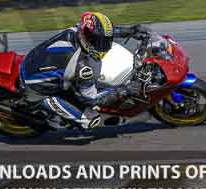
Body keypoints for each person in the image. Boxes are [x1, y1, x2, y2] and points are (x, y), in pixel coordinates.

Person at [20, 11, 149, 130]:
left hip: (35, 62)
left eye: (104, 41)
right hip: (38, 88)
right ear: (88, 37)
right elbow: (91, 100)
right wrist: (125, 90)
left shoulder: (76, 31)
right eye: (99, 42)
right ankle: (50, 109)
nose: (103, 45)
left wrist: (129, 31)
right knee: (90, 120)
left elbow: (102, 33)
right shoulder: (83, 67)